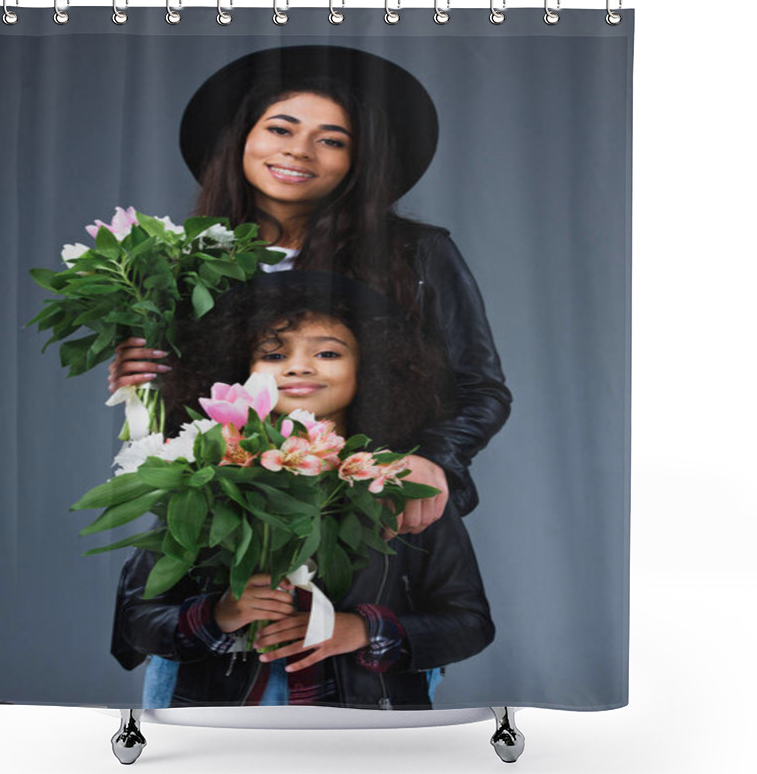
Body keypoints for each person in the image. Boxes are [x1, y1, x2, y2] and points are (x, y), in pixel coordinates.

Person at [108, 45, 512, 533]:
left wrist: (432, 459)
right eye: (280, 129)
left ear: (356, 162)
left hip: (377, 507)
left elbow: (480, 388)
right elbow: (184, 414)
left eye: (332, 141)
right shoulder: (178, 266)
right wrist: (142, 384)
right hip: (234, 516)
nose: (299, 150)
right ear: (242, 140)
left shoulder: (418, 254)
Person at [112, 273, 495, 709]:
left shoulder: (406, 485)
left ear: (369, 367)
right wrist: (218, 615)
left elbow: (469, 623)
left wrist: (361, 630)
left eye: (328, 352)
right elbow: (136, 620)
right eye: (274, 354)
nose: (298, 366)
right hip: (217, 723)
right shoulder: (202, 477)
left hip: (365, 720)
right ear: (243, 370)